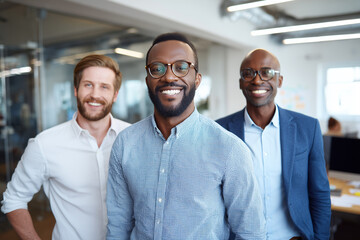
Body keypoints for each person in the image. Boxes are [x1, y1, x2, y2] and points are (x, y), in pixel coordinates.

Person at [106, 33, 265, 240]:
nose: (169, 77)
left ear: (197, 79)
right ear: (147, 80)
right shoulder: (125, 144)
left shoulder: (229, 149)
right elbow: (118, 225)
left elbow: (250, 233)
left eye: (181, 67)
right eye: (157, 68)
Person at [1, 54, 130, 240]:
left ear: (115, 94)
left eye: (104, 87)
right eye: (88, 85)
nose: (95, 94)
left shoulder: (133, 138)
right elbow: (13, 200)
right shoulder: (45, 144)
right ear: (76, 90)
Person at [217, 49, 331, 240]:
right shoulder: (220, 131)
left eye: (267, 72)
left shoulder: (307, 128)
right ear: (240, 82)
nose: (257, 80)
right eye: (248, 73)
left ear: (279, 80)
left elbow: (319, 193)